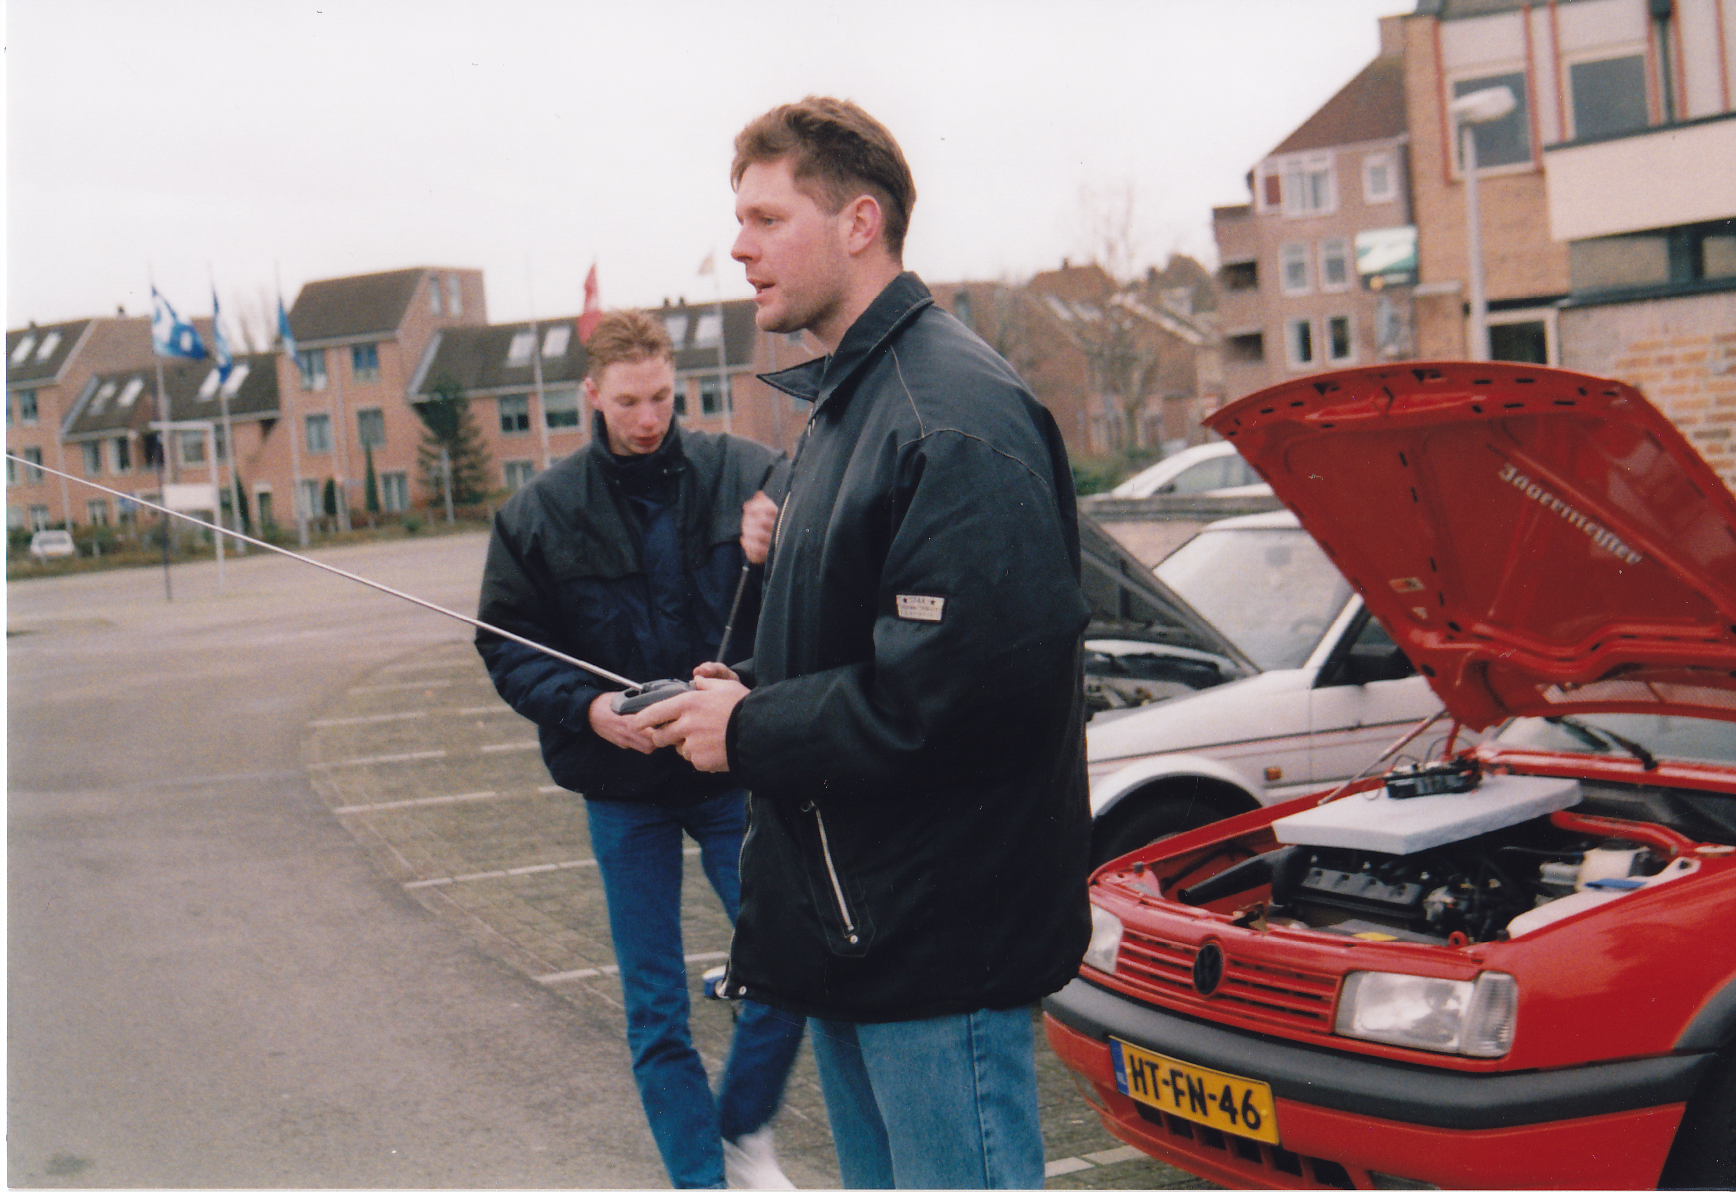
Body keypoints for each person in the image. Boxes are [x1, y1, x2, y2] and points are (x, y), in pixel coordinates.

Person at [636, 98, 1093, 1189]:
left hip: (935, 955)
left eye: (765, 218)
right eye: (738, 220)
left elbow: (961, 699)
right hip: (849, 941)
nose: (738, 247)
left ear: (858, 222)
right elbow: (858, 648)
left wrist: (751, 727)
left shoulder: (949, 416)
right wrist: (731, 691)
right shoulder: (844, 411)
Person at [475, 308, 804, 1190]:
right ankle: (700, 1181)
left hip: (728, 769)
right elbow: (505, 646)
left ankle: (741, 1130)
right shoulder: (538, 513)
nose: (650, 417)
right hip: (621, 788)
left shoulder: (750, 474)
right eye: (629, 402)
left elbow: (826, 551)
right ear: (594, 395)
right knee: (655, 1008)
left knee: (789, 961)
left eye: (662, 396)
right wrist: (588, 709)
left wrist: (784, 536)